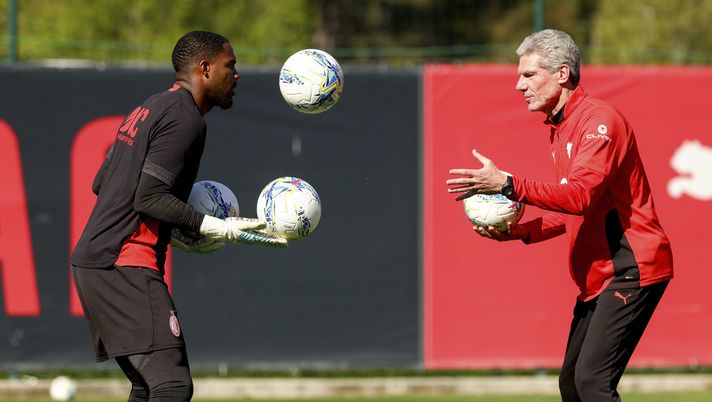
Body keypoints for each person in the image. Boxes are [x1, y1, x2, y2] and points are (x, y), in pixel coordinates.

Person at [446, 29, 673, 402]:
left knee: (592, 384)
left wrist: (507, 183)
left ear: (563, 74)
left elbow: (579, 197)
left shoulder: (599, 120)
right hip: (601, 277)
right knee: (572, 384)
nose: (519, 85)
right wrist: (520, 231)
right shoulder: (561, 127)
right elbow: (577, 209)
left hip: (632, 270)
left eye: (529, 75)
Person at [71, 31, 286, 401]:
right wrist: (215, 226)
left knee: (148, 384)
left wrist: (172, 226)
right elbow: (149, 196)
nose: (237, 75)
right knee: (172, 385)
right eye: (230, 65)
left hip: (96, 261)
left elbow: (102, 182)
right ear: (204, 68)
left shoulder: (152, 106)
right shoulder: (187, 119)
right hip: (123, 264)